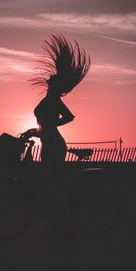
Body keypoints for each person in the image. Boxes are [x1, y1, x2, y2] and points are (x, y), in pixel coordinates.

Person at [30, 34, 91, 178]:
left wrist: (51, 125)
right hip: (47, 139)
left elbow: (69, 117)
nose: (50, 77)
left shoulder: (54, 100)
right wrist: (38, 131)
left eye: (53, 78)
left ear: (55, 84)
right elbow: (45, 123)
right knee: (48, 177)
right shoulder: (48, 99)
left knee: (52, 178)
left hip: (53, 142)